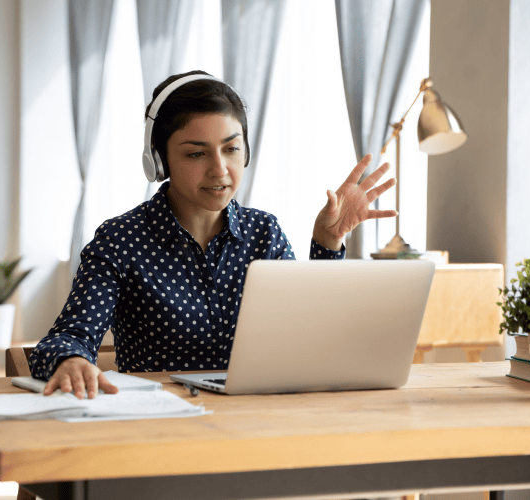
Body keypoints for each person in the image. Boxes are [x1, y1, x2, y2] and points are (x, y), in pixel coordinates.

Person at [28, 70, 397, 399]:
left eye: (232, 148)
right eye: (195, 154)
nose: (219, 169)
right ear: (159, 160)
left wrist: (327, 243)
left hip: (256, 424)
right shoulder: (121, 239)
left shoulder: (263, 233)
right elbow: (66, 338)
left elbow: (313, 336)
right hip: (158, 428)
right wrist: (72, 359)